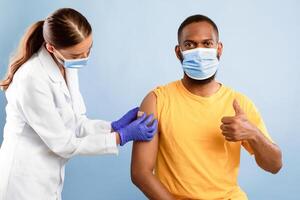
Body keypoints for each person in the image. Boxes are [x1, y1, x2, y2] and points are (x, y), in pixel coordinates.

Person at [0, 8, 157, 200]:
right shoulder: (31, 79)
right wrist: (120, 137)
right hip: (22, 181)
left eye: (88, 50)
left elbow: (76, 123)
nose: (84, 59)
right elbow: (63, 143)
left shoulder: (67, 64)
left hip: (48, 178)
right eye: (77, 55)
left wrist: (113, 127)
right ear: (51, 48)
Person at [131, 14, 282, 200]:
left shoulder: (239, 103)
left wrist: (253, 133)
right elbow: (140, 172)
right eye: (190, 45)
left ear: (219, 49)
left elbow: (274, 165)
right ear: (178, 52)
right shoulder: (156, 100)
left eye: (207, 43)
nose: (199, 51)